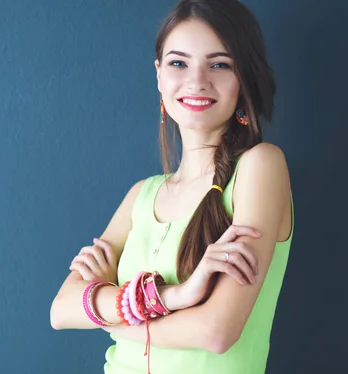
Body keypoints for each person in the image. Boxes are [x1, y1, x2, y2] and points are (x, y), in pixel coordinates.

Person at [50, 0, 294, 373]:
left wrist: (109, 312)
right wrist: (174, 296)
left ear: (243, 76)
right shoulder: (141, 195)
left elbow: (216, 331)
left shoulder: (261, 167)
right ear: (159, 75)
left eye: (219, 64)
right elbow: (61, 310)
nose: (197, 81)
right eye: (179, 63)